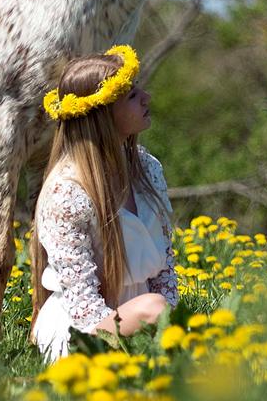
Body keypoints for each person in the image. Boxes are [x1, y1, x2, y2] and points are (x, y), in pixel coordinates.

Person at [29, 44, 178, 362]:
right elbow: (83, 306)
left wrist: (171, 325)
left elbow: (165, 267)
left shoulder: (147, 168)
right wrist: (154, 316)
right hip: (84, 335)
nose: (146, 98)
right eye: (131, 95)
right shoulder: (67, 192)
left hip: (147, 315)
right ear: (103, 115)